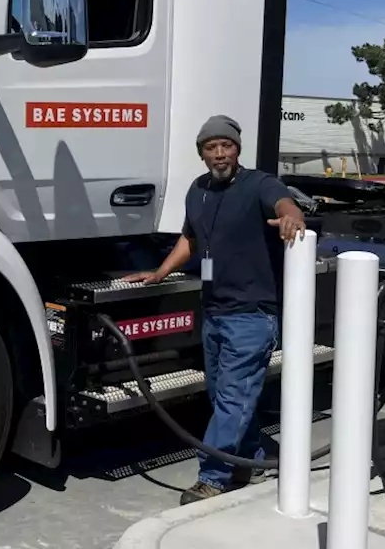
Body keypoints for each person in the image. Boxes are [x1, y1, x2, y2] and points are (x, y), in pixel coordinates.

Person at [122, 114, 306, 505]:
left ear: (238, 149)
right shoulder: (198, 190)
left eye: (227, 146)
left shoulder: (260, 183)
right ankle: (257, 457)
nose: (220, 154)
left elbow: (285, 203)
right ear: (202, 153)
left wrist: (292, 217)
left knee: (233, 398)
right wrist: (160, 272)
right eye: (211, 147)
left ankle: (214, 477)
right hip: (216, 312)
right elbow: (191, 238)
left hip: (252, 315)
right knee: (226, 396)